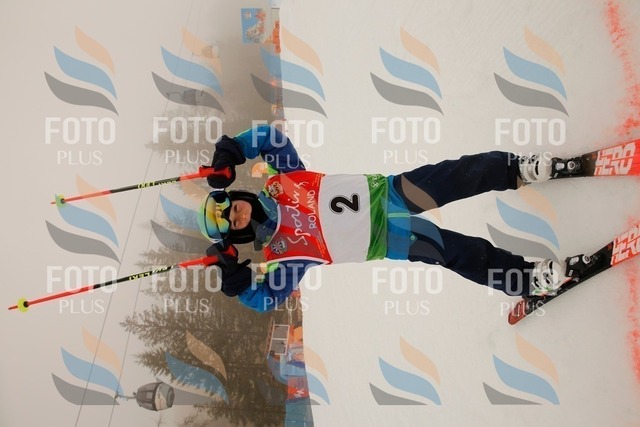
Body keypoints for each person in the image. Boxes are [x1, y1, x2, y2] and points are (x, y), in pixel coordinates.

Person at [198, 124, 569, 313]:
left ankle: (515, 169)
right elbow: (265, 300)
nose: (239, 214)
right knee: (455, 251)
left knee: (456, 175)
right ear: (239, 235)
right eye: (234, 222)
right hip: (389, 238)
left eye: (234, 207)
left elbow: (270, 138)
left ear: (240, 196)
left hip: (389, 192)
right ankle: (526, 279)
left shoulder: (283, 181)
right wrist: (239, 285)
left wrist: (231, 150)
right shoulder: (283, 256)